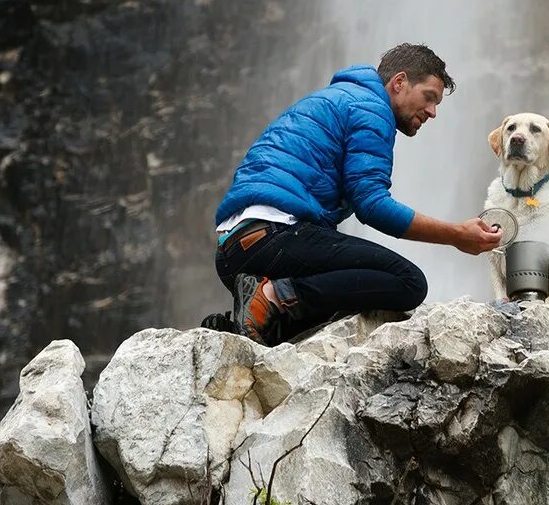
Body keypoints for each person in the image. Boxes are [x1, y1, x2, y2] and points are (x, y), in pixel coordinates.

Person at [206, 43, 501, 345]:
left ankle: (249, 326)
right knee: (407, 282)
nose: (432, 112)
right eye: (429, 97)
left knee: (341, 297)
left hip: (235, 252)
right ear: (399, 83)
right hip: (273, 236)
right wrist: (455, 235)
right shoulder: (371, 108)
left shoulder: (341, 98)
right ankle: (270, 298)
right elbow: (372, 205)